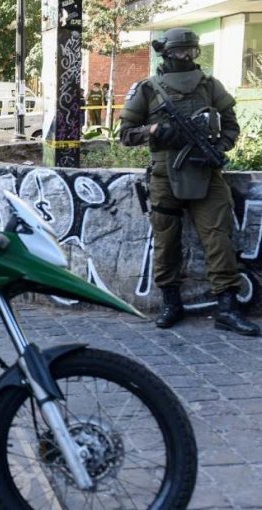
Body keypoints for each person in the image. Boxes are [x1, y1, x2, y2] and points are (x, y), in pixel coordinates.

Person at [119, 27, 259, 336]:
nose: (187, 57)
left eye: (192, 51)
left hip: (206, 175)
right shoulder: (148, 89)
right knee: (167, 243)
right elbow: (125, 134)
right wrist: (154, 132)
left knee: (219, 240)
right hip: (164, 176)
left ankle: (227, 307)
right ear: (166, 53)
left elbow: (231, 125)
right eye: (181, 51)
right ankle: (171, 303)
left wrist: (219, 148)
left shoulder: (210, 86)